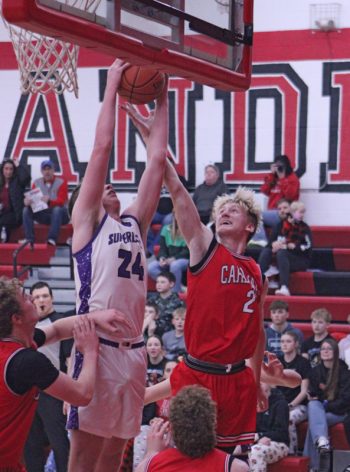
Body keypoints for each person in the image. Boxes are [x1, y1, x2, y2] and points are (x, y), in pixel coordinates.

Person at [125, 105, 267, 451]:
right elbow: (175, 188)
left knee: (227, 461)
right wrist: (152, 138)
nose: (225, 211)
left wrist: (258, 379)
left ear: (250, 225)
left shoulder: (256, 270)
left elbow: (258, 330)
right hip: (199, 371)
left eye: (234, 209)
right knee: (187, 457)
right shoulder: (205, 246)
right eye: (220, 210)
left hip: (237, 379)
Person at [66, 58, 169, 472]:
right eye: (96, 184)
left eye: (111, 184)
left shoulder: (134, 223)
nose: (106, 183)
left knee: (114, 457)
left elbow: (158, 160)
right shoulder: (88, 224)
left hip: (135, 354)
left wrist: (163, 95)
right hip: (98, 350)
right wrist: (111, 85)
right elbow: (101, 150)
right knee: (84, 459)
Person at [0, 276, 130, 471]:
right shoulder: (25, 361)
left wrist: (94, 318)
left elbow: (56, 330)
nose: (33, 299)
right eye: (26, 297)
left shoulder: (17, 343)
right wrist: (90, 351)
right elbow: (82, 394)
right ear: (16, 318)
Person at [136, 385, 248, 472]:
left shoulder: (149, 466)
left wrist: (151, 453)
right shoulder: (235, 467)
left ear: (171, 428)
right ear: (213, 424)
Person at [23, 281, 73, 472]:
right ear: (31, 301)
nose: (41, 300)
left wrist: (69, 395)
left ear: (52, 298)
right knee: (31, 443)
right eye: (37, 297)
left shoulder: (59, 322)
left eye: (45, 296)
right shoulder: (25, 325)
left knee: (59, 441)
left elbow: (70, 360)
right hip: (28, 392)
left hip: (53, 390)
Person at [303, 338, 350, 471]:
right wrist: (319, 401)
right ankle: (322, 442)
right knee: (313, 406)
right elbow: (312, 395)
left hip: (339, 413)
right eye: (323, 349)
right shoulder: (316, 371)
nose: (325, 351)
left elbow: (345, 401)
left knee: (314, 423)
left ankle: (313, 467)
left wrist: (325, 405)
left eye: (329, 349)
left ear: (335, 352)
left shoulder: (345, 372)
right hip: (322, 410)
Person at [260, 200, 312, 296]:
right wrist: (273, 245)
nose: (283, 211)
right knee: (267, 251)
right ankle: (258, 281)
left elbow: (308, 247)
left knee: (282, 253)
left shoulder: (303, 227)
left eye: (285, 208)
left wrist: (290, 246)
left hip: (298, 258)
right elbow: (270, 243)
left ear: (290, 210)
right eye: (279, 209)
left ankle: (284, 286)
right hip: (282, 257)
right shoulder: (279, 226)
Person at [133, 335, 167, 470]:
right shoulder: (141, 363)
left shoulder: (166, 364)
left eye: (156, 344)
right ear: (145, 348)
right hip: (145, 407)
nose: (153, 347)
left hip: (159, 406)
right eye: (150, 345)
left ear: (162, 348)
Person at [278, 331, 311, 454]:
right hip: (281, 404)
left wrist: (290, 406)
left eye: (288, 341)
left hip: (299, 406)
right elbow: (272, 387)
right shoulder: (277, 361)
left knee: (289, 418)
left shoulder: (303, 363)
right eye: (282, 341)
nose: (284, 344)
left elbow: (304, 392)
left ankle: (293, 452)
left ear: (296, 344)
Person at [22, 159, 70, 246]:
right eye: (45, 169)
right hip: (45, 215)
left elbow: (62, 201)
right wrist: (28, 202)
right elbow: (34, 203)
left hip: (61, 216)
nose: (47, 172)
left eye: (49, 169)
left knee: (57, 210)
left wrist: (49, 201)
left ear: (53, 170)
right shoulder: (36, 183)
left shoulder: (62, 181)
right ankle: (29, 239)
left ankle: (51, 239)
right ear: (41, 171)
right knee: (26, 210)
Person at [248, 383, 289, 472]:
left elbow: (281, 433)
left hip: (279, 443)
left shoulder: (280, 403)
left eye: (262, 382)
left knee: (256, 451)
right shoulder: (252, 402)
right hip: (257, 441)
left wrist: (260, 436)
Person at [148, 214, 189, 292]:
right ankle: (176, 285)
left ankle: (175, 293)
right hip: (169, 259)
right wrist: (162, 258)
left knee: (175, 265)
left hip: (184, 259)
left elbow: (187, 252)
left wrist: (174, 259)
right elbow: (162, 248)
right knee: (151, 267)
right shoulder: (166, 229)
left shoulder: (189, 229)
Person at [259, 154, 300, 231]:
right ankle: (262, 241)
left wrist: (282, 179)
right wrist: (272, 175)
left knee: (257, 216)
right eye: (277, 166)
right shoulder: (273, 178)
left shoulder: (292, 179)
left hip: (287, 213)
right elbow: (264, 191)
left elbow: (290, 197)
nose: (279, 168)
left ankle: (261, 241)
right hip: (273, 212)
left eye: (281, 166)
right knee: (253, 217)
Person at [0, 157, 30, 242]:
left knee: (3, 221)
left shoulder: (17, 182)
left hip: (15, 214)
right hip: (2, 213)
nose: (8, 171)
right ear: (2, 169)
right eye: (6, 169)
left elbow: (26, 178)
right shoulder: (1, 183)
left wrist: (18, 166)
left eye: (11, 169)